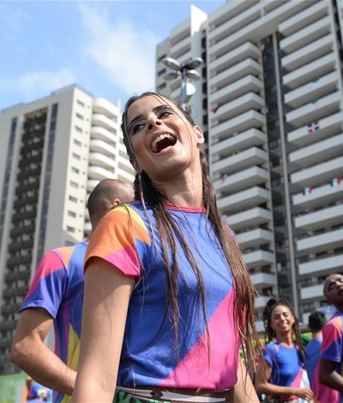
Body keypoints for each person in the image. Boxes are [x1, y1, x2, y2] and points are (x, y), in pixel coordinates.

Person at [72, 92, 261, 402]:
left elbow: (228, 357)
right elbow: (96, 377)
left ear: (197, 133)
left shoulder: (224, 234)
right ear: (135, 163)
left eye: (163, 113)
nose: (153, 122)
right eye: (137, 126)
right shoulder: (125, 223)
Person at [11, 179, 133, 403]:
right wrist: (94, 391)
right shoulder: (62, 260)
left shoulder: (143, 267)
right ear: (117, 207)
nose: (142, 220)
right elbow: (25, 346)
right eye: (135, 209)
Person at [256, 298, 314, 403]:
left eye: (285, 315)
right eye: (277, 317)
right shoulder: (271, 349)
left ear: (293, 319)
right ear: (272, 324)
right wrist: (294, 391)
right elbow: (260, 386)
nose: (282, 319)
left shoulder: (298, 348)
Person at [319, 274, 343, 403]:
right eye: (331, 287)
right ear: (329, 300)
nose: (338, 285)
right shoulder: (335, 326)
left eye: (341, 280)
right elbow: (325, 374)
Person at [305, 311, 337, 403]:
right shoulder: (329, 344)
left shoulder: (305, 350)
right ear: (325, 325)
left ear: (308, 327)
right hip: (335, 397)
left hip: (316, 397)